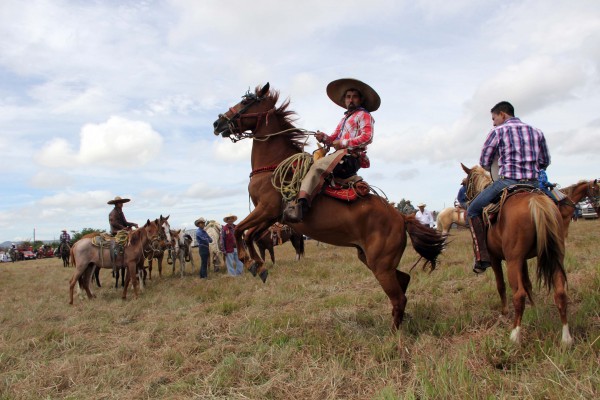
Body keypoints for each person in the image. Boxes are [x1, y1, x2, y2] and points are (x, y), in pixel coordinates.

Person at [467, 101, 550, 274]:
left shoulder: (497, 132)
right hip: (534, 184)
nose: (493, 122)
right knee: (559, 203)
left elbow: (484, 162)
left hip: (507, 182)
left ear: (503, 114)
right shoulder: (537, 131)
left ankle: (482, 257)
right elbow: (544, 162)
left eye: (494, 118)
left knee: (472, 210)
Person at [284, 78, 380, 222]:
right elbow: (332, 139)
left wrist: (342, 143)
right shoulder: (343, 120)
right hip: (339, 155)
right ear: (345, 100)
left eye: (354, 97)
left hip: (350, 157)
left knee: (317, 167)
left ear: (360, 100)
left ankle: (302, 207)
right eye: (348, 97)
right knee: (305, 164)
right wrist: (324, 138)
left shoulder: (364, 115)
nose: (351, 100)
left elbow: (367, 137)